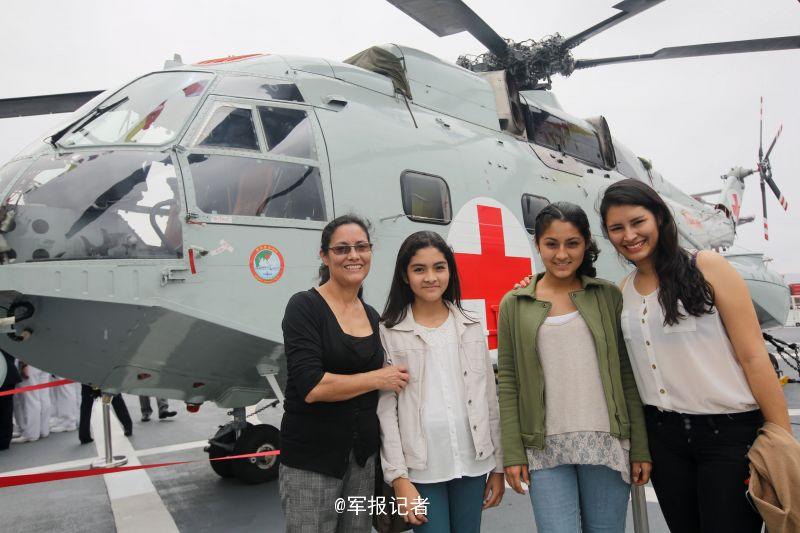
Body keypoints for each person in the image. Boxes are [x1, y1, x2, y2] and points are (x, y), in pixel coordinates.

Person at [598, 178, 790, 533]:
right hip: (664, 438)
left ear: (659, 218)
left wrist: (782, 437)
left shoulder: (708, 267)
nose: (629, 235)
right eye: (617, 228)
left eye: (638, 222)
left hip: (728, 435)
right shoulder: (623, 292)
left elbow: (753, 356)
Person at [499, 202, 650, 533]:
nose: (562, 254)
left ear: (586, 244)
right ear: (537, 244)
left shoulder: (607, 296)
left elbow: (627, 374)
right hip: (544, 448)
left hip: (606, 443)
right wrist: (512, 453)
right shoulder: (515, 303)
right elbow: (508, 382)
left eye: (572, 243)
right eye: (551, 244)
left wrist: (639, 446)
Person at [279, 214, 410, 533]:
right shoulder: (304, 307)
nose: (354, 255)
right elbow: (312, 386)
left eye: (362, 247)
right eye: (342, 249)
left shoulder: (372, 316)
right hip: (312, 462)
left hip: (362, 461)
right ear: (324, 257)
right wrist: (378, 378)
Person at [378, 231, 505, 532]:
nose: (431, 277)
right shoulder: (389, 332)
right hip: (421, 467)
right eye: (419, 269)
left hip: (473, 460)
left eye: (439, 267)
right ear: (405, 275)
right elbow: (386, 411)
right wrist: (399, 477)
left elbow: (489, 399)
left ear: (450, 271)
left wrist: (498, 466)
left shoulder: (471, 325)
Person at [11, 362, 52, 443]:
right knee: (43, 395)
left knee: (29, 398)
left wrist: (23, 364)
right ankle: (43, 430)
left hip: (28, 362)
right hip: (43, 360)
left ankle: (30, 433)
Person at [0, 351, 22, 450]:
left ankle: (4, 440)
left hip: (5, 375)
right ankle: (4, 439)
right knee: (6, 410)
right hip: (8, 375)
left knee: (5, 410)